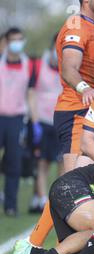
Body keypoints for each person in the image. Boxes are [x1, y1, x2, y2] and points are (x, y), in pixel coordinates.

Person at [27, 0, 94, 248]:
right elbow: (69, 69)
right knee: (70, 185)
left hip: (89, 111)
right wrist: (84, 88)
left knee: (79, 184)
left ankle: (59, 245)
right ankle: (35, 244)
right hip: (76, 111)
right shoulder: (76, 25)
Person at [0, 27, 39, 217]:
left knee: (13, 164)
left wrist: (35, 121)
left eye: (20, 39)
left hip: (17, 120)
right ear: (6, 42)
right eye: (14, 40)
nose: (18, 43)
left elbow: (31, 94)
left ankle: (10, 205)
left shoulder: (28, 65)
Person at [28, 34, 64, 214]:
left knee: (62, 162)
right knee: (42, 163)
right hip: (41, 121)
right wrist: (35, 122)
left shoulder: (67, 68)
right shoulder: (38, 66)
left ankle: (57, 198)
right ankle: (42, 199)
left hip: (59, 121)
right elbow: (32, 94)